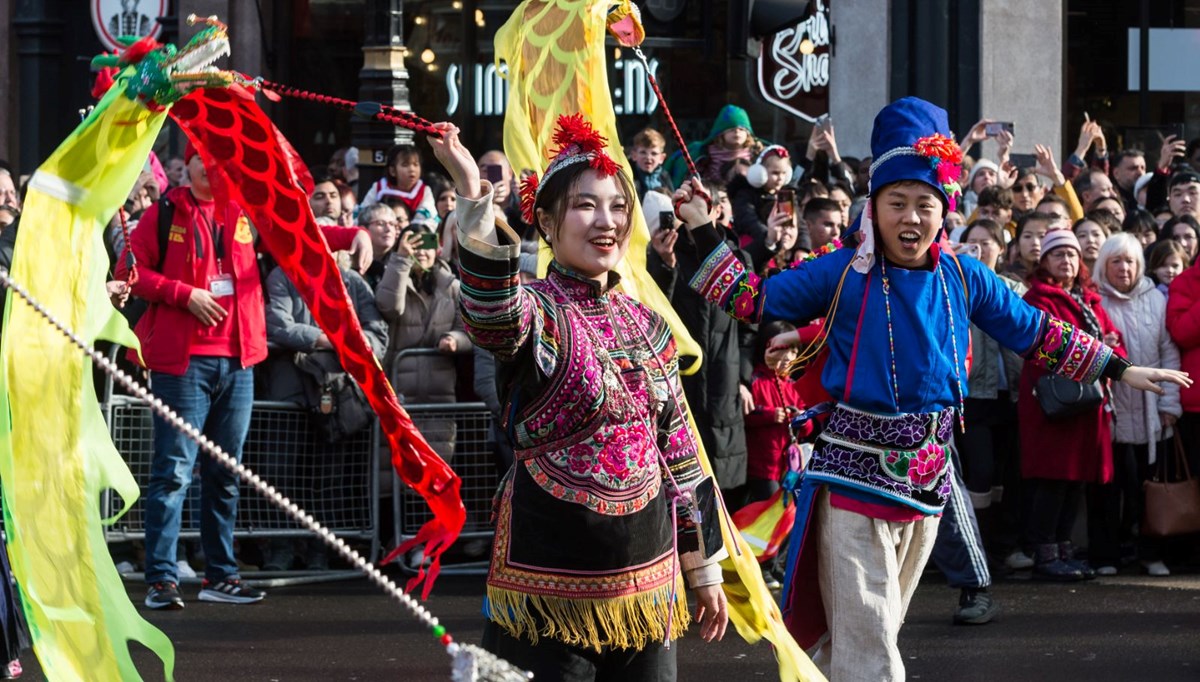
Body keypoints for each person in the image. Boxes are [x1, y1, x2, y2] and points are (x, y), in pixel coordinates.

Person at [672, 97, 1188, 680]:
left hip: (927, 484)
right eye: (897, 203)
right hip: (851, 482)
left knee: (870, 634)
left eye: (925, 204)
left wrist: (1118, 369)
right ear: (874, 208)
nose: (911, 218)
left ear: (945, 210)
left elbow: (1034, 331)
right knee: (870, 646)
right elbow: (750, 298)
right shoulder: (842, 270)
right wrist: (701, 229)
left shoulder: (964, 275)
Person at [432, 115, 729, 679]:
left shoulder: (649, 324)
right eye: (585, 206)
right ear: (545, 221)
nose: (607, 222)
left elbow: (681, 448)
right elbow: (491, 313)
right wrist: (473, 193)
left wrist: (704, 566)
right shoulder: (538, 311)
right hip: (546, 583)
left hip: (648, 585)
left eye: (618, 206)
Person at [118, 142, 372, 610]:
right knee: (173, 471)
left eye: (218, 160)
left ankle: (221, 575)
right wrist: (183, 294)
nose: (210, 167)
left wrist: (354, 233)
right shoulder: (162, 214)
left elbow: (301, 231)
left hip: (238, 361)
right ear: (186, 167)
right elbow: (130, 273)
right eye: (201, 159)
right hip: (183, 361)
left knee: (225, 473)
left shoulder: (245, 212)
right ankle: (162, 579)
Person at [1018, 229, 1126, 581]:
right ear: (1045, 261)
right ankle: (1045, 555)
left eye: (1071, 254)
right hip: (1054, 405)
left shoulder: (1089, 300)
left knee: (1074, 481)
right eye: (1057, 254)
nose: (1066, 261)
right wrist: (1097, 348)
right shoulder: (1039, 299)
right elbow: (1041, 348)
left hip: (1086, 407)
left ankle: (1064, 550)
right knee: (1053, 480)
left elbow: (1115, 347)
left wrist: (1107, 348)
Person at [647, 185, 752, 502]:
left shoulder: (736, 258)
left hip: (725, 385)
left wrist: (744, 379)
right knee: (684, 491)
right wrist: (662, 264)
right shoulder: (668, 255)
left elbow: (749, 328)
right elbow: (653, 313)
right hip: (682, 384)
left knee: (726, 493)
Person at [1091, 233, 1181, 577]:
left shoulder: (1155, 300)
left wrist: (1170, 403)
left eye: (1129, 261)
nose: (1123, 268)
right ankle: (1105, 555)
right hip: (1110, 413)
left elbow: (1168, 351)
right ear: (1104, 266)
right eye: (1115, 261)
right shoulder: (1095, 301)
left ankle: (1150, 552)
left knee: (1150, 490)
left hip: (1151, 412)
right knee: (1108, 490)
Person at [955, 220, 1028, 573]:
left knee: (1008, 474)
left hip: (1012, 395)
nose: (980, 250)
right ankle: (977, 548)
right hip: (973, 396)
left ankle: (1004, 546)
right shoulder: (955, 287)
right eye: (972, 243)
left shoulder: (1015, 288)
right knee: (980, 471)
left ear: (1002, 248)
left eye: (988, 243)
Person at [374, 220, 471, 463]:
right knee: (397, 461)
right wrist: (401, 260)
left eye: (427, 244)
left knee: (437, 461)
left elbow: (468, 331)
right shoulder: (392, 275)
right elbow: (389, 307)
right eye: (414, 245)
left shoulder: (451, 287)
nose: (421, 251)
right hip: (399, 387)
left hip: (440, 390)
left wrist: (454, 340)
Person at [667, 103, 764, 186]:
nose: (737, 132)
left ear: (748, 133)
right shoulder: (705, 153)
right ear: (721, 133)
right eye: (731, 129)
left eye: (742, 129)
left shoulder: (756, 153)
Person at [360, 144, 436, 223]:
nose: (412, 169)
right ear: (392, 170)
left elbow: (427, 217)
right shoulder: (379, 187)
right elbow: (364, 213)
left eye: (415, 164)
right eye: (405, 165)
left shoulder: (424, 191)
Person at [631, 128, 674, 197]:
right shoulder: (630, 177)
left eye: (654, 153)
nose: (648, 157)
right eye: (643, 152)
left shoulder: (664, 177)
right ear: (634, 155)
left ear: (661, 158)